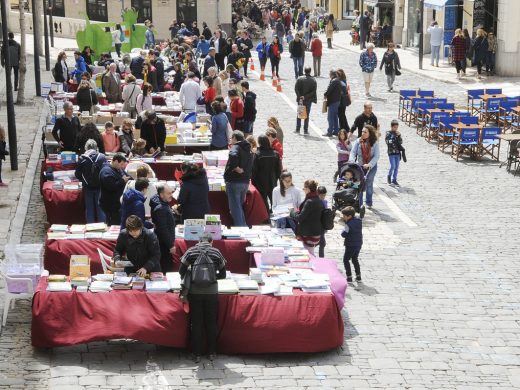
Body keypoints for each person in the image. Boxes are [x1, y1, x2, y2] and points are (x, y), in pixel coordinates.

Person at [179, 233, 226, 362]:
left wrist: (191, 274)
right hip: (212, 293)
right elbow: (223, 274)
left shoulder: (191, 252)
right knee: (211, 322)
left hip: (195, 293)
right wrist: (211, 276)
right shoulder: (216, 252)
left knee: (197, 323)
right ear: (211, 242)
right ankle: (211, 353)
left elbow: (181, 271)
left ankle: (196, 354)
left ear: (198, 241)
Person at [224, 130, 253, 227]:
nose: (230, 140)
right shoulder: (248, 148)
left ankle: (241, 229)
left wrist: (236, 167)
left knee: (235, 208)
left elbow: (232, 155)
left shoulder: (236, 147)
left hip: (234, 181)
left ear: (235, 138)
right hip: (245, 182)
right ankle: (243, 226)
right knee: (239, 207)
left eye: (231, 138)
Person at [74, 139, 106, 223]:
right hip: (100, 186)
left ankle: (90, 228)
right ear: (96, 147)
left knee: (89, 209)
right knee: (100, 208)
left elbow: (77, 174)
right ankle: (102, 227)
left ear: (86, 147)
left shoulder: (82, 158)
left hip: (87, 187)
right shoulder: (102, 157)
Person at [349, 125, 380, 210]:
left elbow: (376, 156)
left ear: (370, 133)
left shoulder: (375, 143)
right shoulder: (358, 141)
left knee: (369, 183)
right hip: (360, 166)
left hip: (371, 167)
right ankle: (360, 203)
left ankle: (369, 202)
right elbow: (352, 152)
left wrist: (369, 164)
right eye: (362, 131)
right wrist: (352, 161)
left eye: (365, 132)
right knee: (360, 184)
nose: (363, 133)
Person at [290, 179, 324, 255]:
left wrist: (291, 212)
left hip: (309, 235)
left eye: (304, 189)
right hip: (316, 233)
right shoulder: (318, 199)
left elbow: (300, 217)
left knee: (307, 255)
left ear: (308, 189)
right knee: (310, 252)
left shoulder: (309, 201)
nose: (303, 190)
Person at [149, 184, 176, 273]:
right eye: (168, 193)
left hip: (163, 243)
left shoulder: (162, 204)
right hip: (163, 245)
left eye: (171, 193)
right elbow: (163, 229)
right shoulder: (161, 208)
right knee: (165, 268)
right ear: (161, 195)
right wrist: (170, 245)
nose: (171, 195)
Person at [252, 134, 282, 213]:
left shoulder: (258, 154)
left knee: (263, 199)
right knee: (273, 198)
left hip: (261, 181)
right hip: (272, 180)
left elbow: (254, 170)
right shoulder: (275, 154)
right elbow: (278, 169)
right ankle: (275, 213)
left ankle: (266, 215)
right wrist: (277, 179)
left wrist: (253, 182)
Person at [99, 153, 130, 226]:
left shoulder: (119, 169)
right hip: (109, 204)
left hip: (117, 204)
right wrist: (122, 181)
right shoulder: (106, 171)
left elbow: (127, 177)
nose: (122, 167)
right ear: (116, 161)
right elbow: (111, 186)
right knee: (113, 224)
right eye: (121, 164)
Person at [341, 206, 363, 283]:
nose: (343, 217)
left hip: (350, 244)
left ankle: (349, 277)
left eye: (344, 216)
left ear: (349, 216)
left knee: (346, 260)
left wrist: (343, 229)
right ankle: (358, 276)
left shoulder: (348, 224)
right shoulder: (359, 221)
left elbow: (344, 234)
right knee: (355, 259)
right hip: (358, 244)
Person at [294, 66, 317, 135]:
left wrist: (300, 96)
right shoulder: (313, 80)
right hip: (308, 100)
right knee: (307, 115)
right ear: (310, 71)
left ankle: (298, 129)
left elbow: (296, 88)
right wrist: (305, 97)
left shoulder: (299, 78)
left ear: (304, 71)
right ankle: (305, 130)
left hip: (300, 100)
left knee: (300, 113)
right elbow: (313, 91)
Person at [323, 69, 342, 137]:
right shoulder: (338, 80)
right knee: (335, 117)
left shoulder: (334, 81)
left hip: (333, 101)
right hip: (337, 101)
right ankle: (336, 131)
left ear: (331, 74)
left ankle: (330, 132)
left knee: (330, 117)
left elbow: (329, 90)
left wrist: (325, 94)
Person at [385, 119, 403, 186]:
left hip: (397, 152)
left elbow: (401, 142)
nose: (396, 129)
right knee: (393, 166)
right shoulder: (388, 133)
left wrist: (399, 136)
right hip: (391, 152)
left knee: (396, 167)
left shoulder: (397, 133)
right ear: (391, 127)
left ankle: (394, 179)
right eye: (395, 127)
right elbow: (387, 142)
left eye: (397, 127)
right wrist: (394, 138)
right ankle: (389, 175)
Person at [317, 186, 328, 258]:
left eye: (324, 195)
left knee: (322, 243)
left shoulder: (325, 202)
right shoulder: (315, 202)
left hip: (322, 226)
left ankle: (321, 259)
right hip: (316, 224)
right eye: (321, 195)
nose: (323, 197)